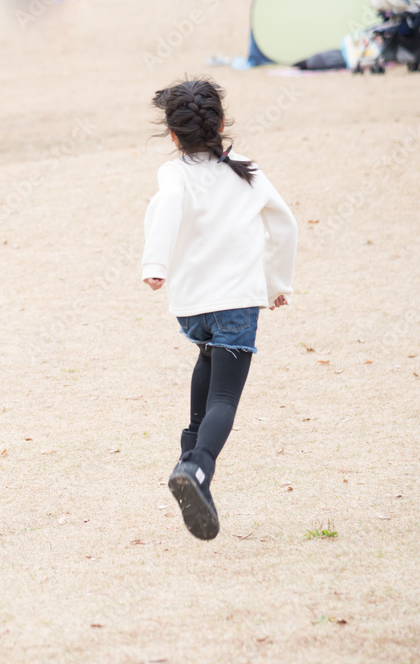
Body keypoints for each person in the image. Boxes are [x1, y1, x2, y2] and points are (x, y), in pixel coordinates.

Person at [141, 77, 297, 541]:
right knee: (225, 399)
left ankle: (188, 464)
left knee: (207, 358)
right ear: (222, 124)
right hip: (238, 302)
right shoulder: (246, 170)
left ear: (173, 135)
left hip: (192, 307)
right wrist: (276, 284)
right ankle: (199, 470)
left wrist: (155, 264)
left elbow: (165, 208)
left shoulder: (174, 175)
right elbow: (284, 226)